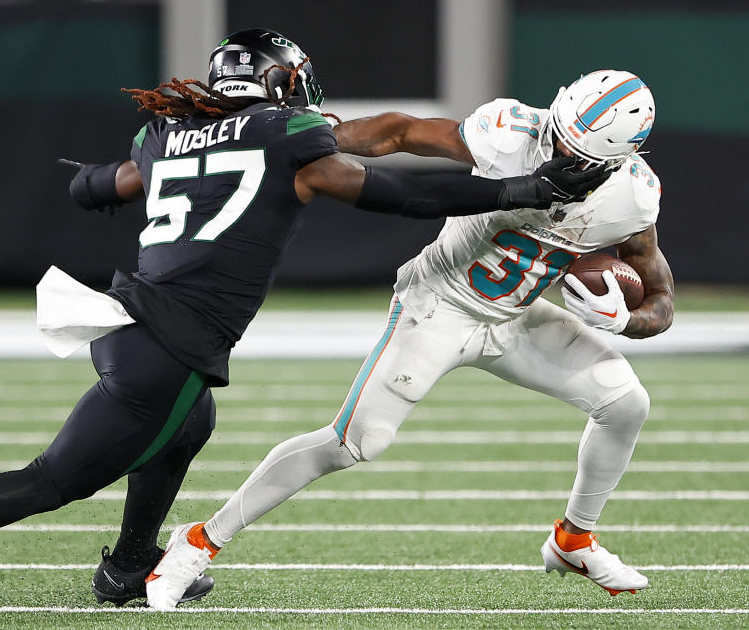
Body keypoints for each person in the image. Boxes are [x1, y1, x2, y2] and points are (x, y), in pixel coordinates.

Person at [0, 30, 608, 607]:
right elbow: (402, 197)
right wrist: (522, 191)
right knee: (53, 480)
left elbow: (104, 184)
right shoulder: (289, 135)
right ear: (284, 86)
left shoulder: (165, 130)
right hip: (166, 342)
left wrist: (84, 182)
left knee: (190, 425)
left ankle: (128, 568)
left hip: (138, 323)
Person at [146, 70, 673, 609]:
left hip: (515, 318)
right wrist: (308, 139)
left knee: (626, 403)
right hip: (438, 302)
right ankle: (199, 540)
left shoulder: (632, 197)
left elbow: (660, 300)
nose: (555, 149)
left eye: (573, 151)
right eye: (558, 132)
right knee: (355, 442)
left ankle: (573, 539)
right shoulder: (512, 130)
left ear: (614, 160)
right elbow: (402, 132)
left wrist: (622, 321)